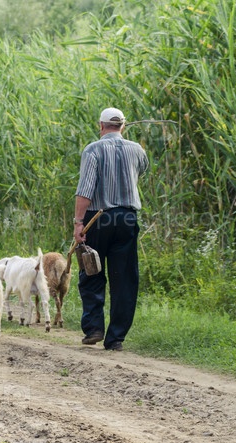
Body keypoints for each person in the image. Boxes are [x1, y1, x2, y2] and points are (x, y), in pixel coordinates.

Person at [73, 107, 149, 351]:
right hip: (127, 218)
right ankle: (115, 338)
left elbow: (85, 190)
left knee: (91, 270)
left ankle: (94, 328)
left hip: (98, 218)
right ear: (123, 126)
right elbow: (142, 170)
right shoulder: (137, 150)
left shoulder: (93, 150)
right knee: (124, 278)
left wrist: (78, 222)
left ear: (101, 125)